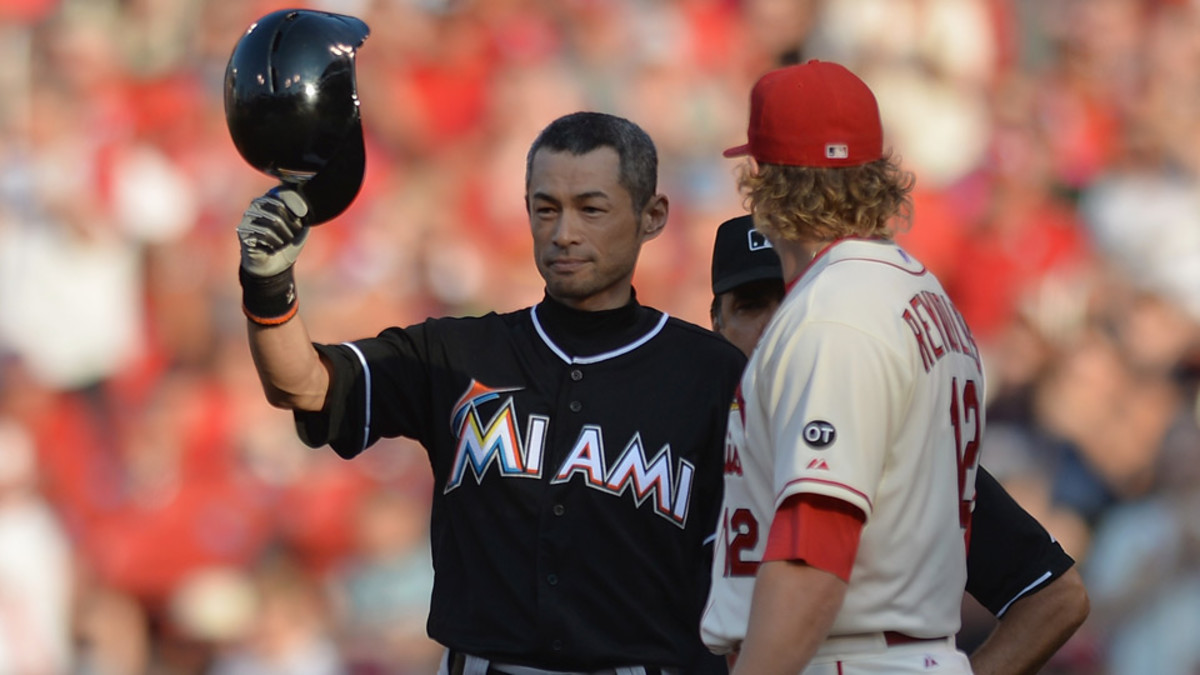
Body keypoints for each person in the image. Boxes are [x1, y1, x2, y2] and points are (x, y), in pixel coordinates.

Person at [234, 111, 746, 674]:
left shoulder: (710, 373)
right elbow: (305, 386)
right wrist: (267, 285)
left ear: (652, 216)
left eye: (591, 209)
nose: (564, 232)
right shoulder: (459, 353)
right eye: (545, 208)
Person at [700, 59, 989, 674]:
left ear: (764, 183)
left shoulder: (832, 314)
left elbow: (814, 555)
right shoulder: (918, 290)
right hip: (910, 650)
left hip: (848, 657)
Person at [704, 215, 1089, 674]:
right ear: (716, 323)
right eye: (751, 307)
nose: (776, 324)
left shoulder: (877, 439)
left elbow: (1053, 597)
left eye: (792, 298)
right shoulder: (669, 439)